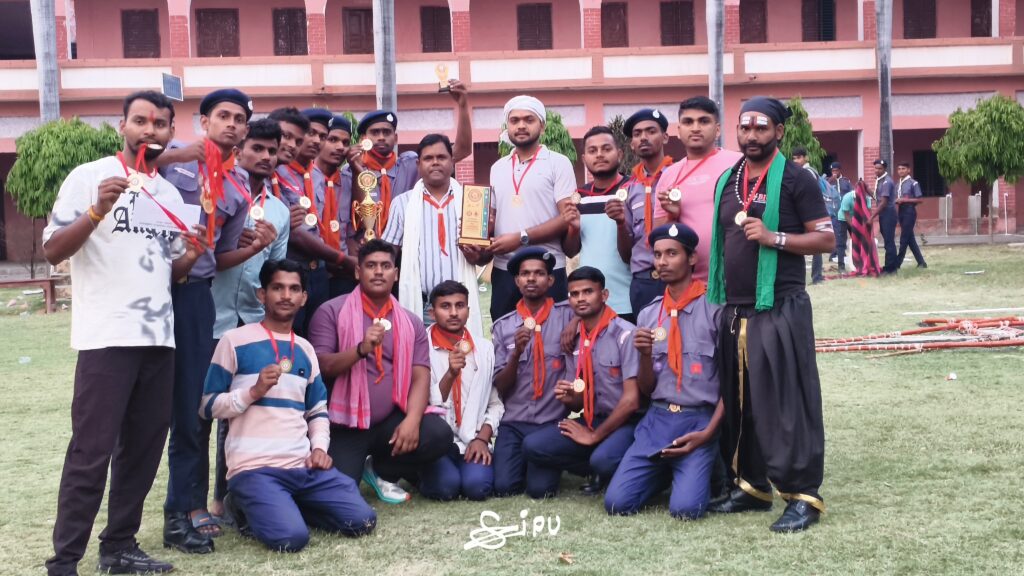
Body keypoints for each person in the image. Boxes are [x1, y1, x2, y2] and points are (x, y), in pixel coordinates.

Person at [42, 90, 206, 576]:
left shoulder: (170, 195)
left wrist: (191, 255)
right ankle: (64, 561)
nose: (149, 130)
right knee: (90, 452)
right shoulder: (89, 176)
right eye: (140, 121)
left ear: (171, 133)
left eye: (160, 124)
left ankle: (119, 547)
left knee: (143, 450)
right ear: (123, 127)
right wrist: (97, 210)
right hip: (106, 337)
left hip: (158, 340)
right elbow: (53, 250)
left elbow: (169, 272)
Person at [706, 97, 834, 533]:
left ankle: (802, 496)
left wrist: (774, 237)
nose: (752, 136)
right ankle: (751, 486)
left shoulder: (797, 179)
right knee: (742, 403)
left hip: (779, 306)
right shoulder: (729, 179)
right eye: (745, 128)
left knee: (785, 403)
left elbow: (826, 240)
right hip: (735, 308)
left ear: (779, 131)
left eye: (761, 128)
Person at [158, 88, 269, 553]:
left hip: (193, 296)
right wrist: (181, 155)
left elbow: (219, 257)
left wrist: (255, 247)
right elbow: (131, 171)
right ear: (203, 122)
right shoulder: (170, 157)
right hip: (147, 289)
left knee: (191, 405)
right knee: (142, 405)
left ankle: (183, 509)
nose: (232, 124)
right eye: (223, 115)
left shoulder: (239, 186)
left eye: (239, 119)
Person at [201, 260, 376, 552]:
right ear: (262, 294)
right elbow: (208, 406)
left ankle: (284, 506)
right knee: (291, 539)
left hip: (302, 466)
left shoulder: (305, 349)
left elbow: (317, 410)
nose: (286, 295)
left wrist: (319, 449)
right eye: (277, 288)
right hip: (254, 468)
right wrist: (252, 392)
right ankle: (241, 503)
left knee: (363, 521)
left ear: (304, 298)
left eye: (294, 289)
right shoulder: (234, 340)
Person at [308, 240, 453, 504]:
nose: (378, 272)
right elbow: (322, 367)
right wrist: (360, 349)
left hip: (389, 419)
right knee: (337, 492)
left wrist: (412, 421)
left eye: (385, 266)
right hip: (345, 424)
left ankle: (382, 470)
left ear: (395, 274)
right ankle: (356, 467)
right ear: (357, 271)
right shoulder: (331, 311)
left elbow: (420, 375)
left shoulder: (410, 321)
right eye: (371, 265)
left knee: (438, 434)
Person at [205, 118, 291, 526]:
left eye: (272, 150)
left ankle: (226, 499)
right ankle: (191, 505)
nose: (266, 157)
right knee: (200, 415)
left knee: (242, 411)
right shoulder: (217, 193)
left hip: (252, 322)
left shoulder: (279, 210)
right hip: (210, 317)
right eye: (258, 148)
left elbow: (276, 272)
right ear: (239, 151)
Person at [605, 223, 723, 520]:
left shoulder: (715, 308)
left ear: (692, 258)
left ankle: (710, 467)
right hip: (657, 420)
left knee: (685, 510)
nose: (662, 262)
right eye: (657, 255)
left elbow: (733, 382)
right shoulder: (649, 313)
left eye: (672, 253)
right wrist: (645, 356)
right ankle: (665, 473)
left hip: (699, 420)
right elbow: (646, 389)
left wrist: (709, 432)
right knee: (617, 504)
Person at [522, 266, 640, 497]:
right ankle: (596, 465)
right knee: (532, 445)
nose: (581, 298)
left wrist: (594, 436)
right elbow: (577, 403)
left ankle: (606, 464)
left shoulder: (625, 334)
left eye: (588, 292)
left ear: (604, 295)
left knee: (602, 460)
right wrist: (569, 397)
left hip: (628, 422)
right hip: (593, 418)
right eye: (574, 294)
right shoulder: (574, 340)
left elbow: (632, 401)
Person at [381, 133, 491, 331]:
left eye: (441, 157)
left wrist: (478, 255)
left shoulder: (472, 201)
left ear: (452, 162)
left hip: (461, 306)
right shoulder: (403, 204)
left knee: (464, 351)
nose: (435, 163)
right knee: (419, 351)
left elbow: (484, 258)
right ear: (418, 165)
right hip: (421, 305)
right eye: (428, 158)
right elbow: (388, 254)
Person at [490, 248, 575, 497]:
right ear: (517, 281)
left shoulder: (568, 317)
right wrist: (516, 353)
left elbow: (595, 312)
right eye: (525, 274)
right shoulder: (503, 327)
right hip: (513, 423)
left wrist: (576, 321)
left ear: (550, 280)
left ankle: (546, 459)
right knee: (504, 487)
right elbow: (501, 386)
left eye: (539, 273)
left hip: (550, 422)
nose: (531, 278)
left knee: (540, 490)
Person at [487, 95, 575, 321]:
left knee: (552, 335)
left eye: (529, 119)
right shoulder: (497, 167)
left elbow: (567, 217)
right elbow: (491, 219)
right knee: (505, 333)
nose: (521, 125)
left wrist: (521, 238)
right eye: (514, 120)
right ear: (507, 126)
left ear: (542, 126)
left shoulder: (558, 163)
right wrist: (473, 237)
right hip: (505, 269)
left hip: (547, 266)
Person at [349, 81, 471, 241]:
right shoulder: (351, 170)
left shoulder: (411, 164)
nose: (381, 137)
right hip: (368, 247)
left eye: (386, 132)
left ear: (396, 138)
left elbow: (462, 150)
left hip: (408, 246)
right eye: (375, 132)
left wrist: (463, 105)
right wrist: (356, 171)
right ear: (363, 138)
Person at [418, 281, 504, 501]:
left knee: (477, 488)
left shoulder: (484, 349)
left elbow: (495, 404)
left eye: (460, 305)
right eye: (445, 306)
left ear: (468, 310)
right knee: (446, 489)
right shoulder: (421, 348)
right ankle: (420, 471)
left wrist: (482, 438)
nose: (454, 313)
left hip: (472, 440)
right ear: (432, 313)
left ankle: (466, 467)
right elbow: (426, 403)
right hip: (437, 442)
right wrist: (451, 373)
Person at [654, 97, 743, 286]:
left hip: (738, 280)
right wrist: (672, 215)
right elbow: (659, 236)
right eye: (688, 122)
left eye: (703, 121)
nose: (695, 128)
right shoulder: (669, 175)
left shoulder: (739, 164)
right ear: (679, 130)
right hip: (692, 285)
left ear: (717, 129)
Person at [561, 126, 634, 321]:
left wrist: (621, 223)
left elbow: (632, 254)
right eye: (593, 151)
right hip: (591, 302)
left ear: (619, 154)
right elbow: (571, 251)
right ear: (584, 159)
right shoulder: (580, 197)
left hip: (628, 299)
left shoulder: (633, 189)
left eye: (606, 149)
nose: (599, 155)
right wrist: (573, 228)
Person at [614, 108, 672, 315]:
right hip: (643, 283)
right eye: (637, 134)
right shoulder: (628, 189)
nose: (643, 137)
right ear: (632, 144)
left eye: (651, 131)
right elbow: (626, 253)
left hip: (677, 279)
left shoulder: (678, 177)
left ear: (665, 137)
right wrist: (620, 223)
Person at [895, 161, 927, 269]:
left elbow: (920, 199)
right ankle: (921, 262)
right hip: (901, 211)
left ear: (908, 170)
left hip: (909, 211)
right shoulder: (898, 184)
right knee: (910, 239)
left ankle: (897, 263)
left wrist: (905, 200)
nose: (901, 171)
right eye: (899, 169)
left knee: (904, 238)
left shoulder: (913, 183)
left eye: (903, 169)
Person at [871, 158, 899, 275]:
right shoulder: (879, 180)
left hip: (888, 213)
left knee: (889, 242)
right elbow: (876, 197)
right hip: (884, 214)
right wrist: (865, 188)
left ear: (884, 169)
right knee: (888, 241)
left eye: (880, 169)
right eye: (876, 168)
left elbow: (883, 203)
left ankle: (890, 268)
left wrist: (872, 217)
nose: (877, 170)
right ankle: (890, 266)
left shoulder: (887, 182)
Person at [848, 179, 881, 277]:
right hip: (845, 219)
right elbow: (845, 213)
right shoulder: (847, 198)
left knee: (865, 241)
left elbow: (868, 211)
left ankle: (865, 263)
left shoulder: (866, 198)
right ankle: (856, 263)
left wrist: (868, 224)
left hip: (861, 221)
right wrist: (854, 227)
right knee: (853, 241)